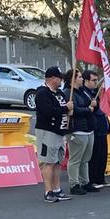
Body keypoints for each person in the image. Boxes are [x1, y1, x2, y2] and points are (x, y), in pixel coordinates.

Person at [34, 66, 74, 203]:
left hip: (60, 132)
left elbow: (65, 108)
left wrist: (69, 111)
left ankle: (57, 189)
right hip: (47, 132)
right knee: (48, 162)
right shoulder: (42, 93)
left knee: (57, 162)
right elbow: (48, 111)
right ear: (52, 78)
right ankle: (48, 191)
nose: (61, 80)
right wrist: (65, 108)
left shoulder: (60, 93)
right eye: (59, 78)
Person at [63, 69, 99, 195]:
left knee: (85, 159)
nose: (82, 79)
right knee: (75, 159)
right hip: (77, 130)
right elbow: (73, 110)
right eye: (79, 77)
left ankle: (85, 181)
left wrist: (94, 105)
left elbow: (91, 106)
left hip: (88, 129)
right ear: (72, 80)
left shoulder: (83, 92)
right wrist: (88, 109)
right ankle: (74, 184)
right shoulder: (68, 93)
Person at [84, 70, 110, 189]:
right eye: (94, 80)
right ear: (86, 81)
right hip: (93, 127)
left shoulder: (97, 92)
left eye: (97, 80)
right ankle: (92, 179)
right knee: (94, 156)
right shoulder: (85, 93)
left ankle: (100, 178)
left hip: (102, 127)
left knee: (102, 155)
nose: (96, 82)